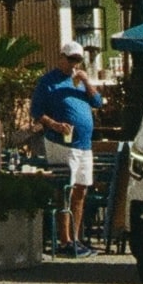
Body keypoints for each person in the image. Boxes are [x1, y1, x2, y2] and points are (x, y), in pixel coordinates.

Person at [29, 38, 101, 254]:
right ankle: (64, 239)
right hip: (61, 142)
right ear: (61, 58)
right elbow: (36, 112)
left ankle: (76, 237)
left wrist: (87, 82)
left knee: (81, 189)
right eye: (70, 60)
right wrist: (55, 125)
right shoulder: (48, 82)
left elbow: (98, 103)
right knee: (66, 189)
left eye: (77, 60)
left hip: (84, 143)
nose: (74, 64)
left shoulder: (78, 81)